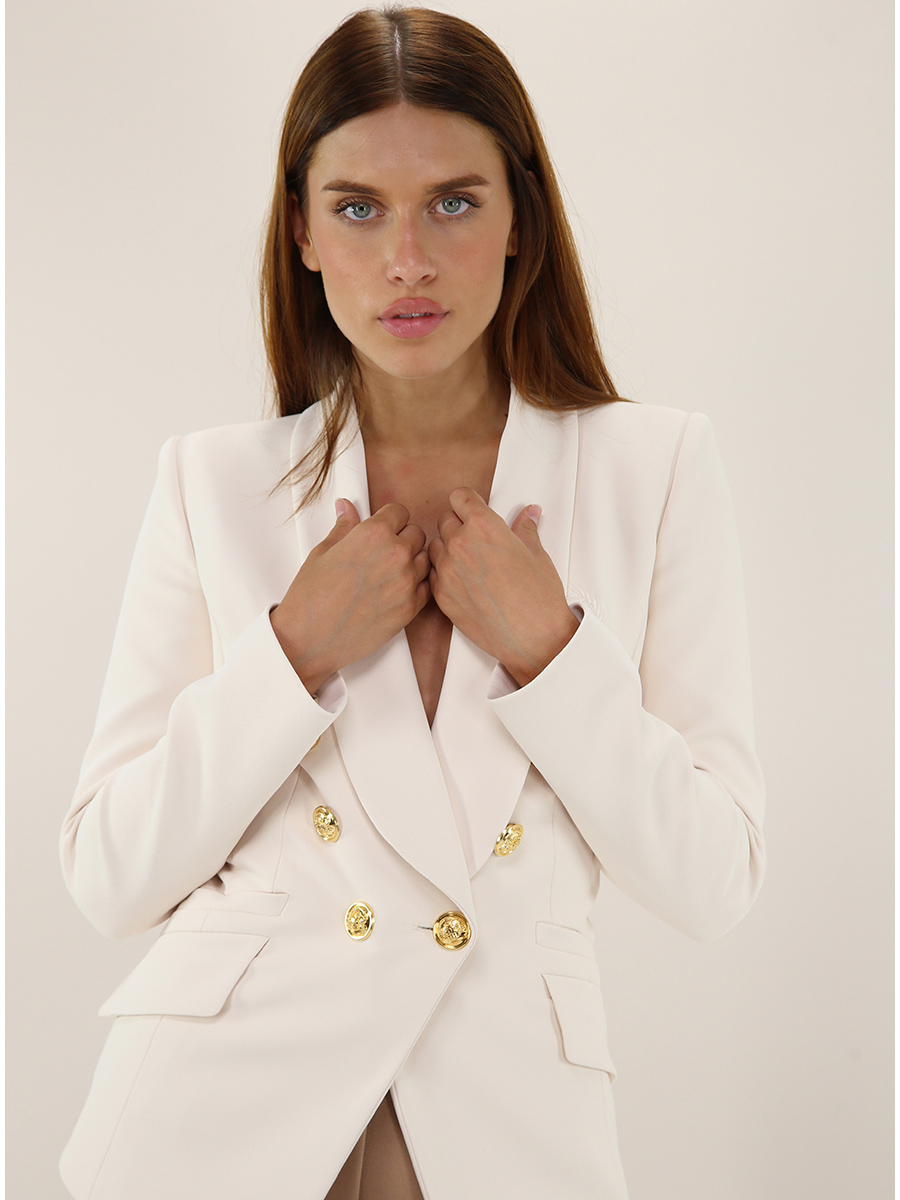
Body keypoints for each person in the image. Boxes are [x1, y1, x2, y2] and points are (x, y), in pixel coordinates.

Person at [58, 7, 766, 1199]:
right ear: (301, 229)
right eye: (357, 208)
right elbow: (109, 877)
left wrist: (550, 652)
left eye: (452, 202)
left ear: (519, 220)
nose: (406, 260)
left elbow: (714, 882)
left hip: (509, 1136)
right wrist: (292, 653)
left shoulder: (656, 469)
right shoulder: (212, 481)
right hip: (211, 1129)